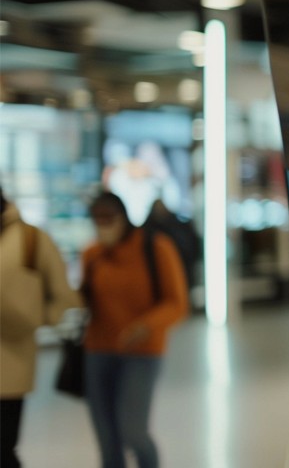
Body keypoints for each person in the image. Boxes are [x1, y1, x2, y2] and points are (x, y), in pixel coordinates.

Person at [80, 193, 189, 468]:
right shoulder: (92, 254)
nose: (103, 225)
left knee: (133, 432)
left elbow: (176, 302)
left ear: (124, 217)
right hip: (98, 351)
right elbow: (86, 299)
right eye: (97, 220)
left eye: (109, 218)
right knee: (107, 439)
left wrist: (145, 326)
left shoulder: (156, 248)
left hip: (143, 352)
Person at [0, 187, 81, 468]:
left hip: (11, 362)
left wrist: (36, 319)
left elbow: (62, 293)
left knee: (3, 447)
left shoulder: (31, 239)